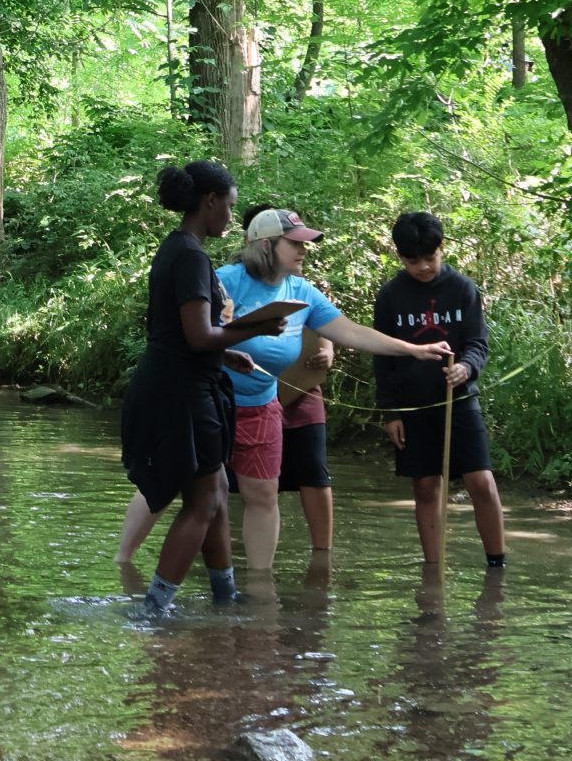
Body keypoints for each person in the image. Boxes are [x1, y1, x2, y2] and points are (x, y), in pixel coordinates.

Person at [220, 207, 452, 572]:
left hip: (263, 405)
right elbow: (192, 333)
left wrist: (414, 349)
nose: (304, 251)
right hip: (210, 403)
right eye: (294, 244)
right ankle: (136, 570)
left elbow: (351, 332)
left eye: (305, 244)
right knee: (190, 489)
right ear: (265, 246)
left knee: (263, 496)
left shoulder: (302, 290)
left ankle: (260, 589)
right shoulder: (225, 280)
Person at [118, 160, 266, 617]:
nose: (230, 216)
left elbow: (183, 335)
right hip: (179, 393)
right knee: (204, 500)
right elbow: (199, 336)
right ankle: (153, 608)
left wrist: (226, 355)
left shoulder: (179, 249)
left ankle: (225, 595)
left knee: (216, 490)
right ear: (210, 201)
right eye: (229, 206)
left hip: (179, 382)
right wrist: (258, 327)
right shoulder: (190, 256)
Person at [373, 211, 508, 570]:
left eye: (430, 258)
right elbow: (383, 357)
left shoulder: (462, 289)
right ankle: (433, 568)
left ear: (442, 249)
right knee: (426, 486)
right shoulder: (390, 297)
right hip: (413, 406)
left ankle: (497, 563)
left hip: (460, 400)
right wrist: (391, 412)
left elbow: (478, 343)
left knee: (481, 481)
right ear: (399, 256)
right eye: (412, 260)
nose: (423, 267)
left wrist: (467, 367)